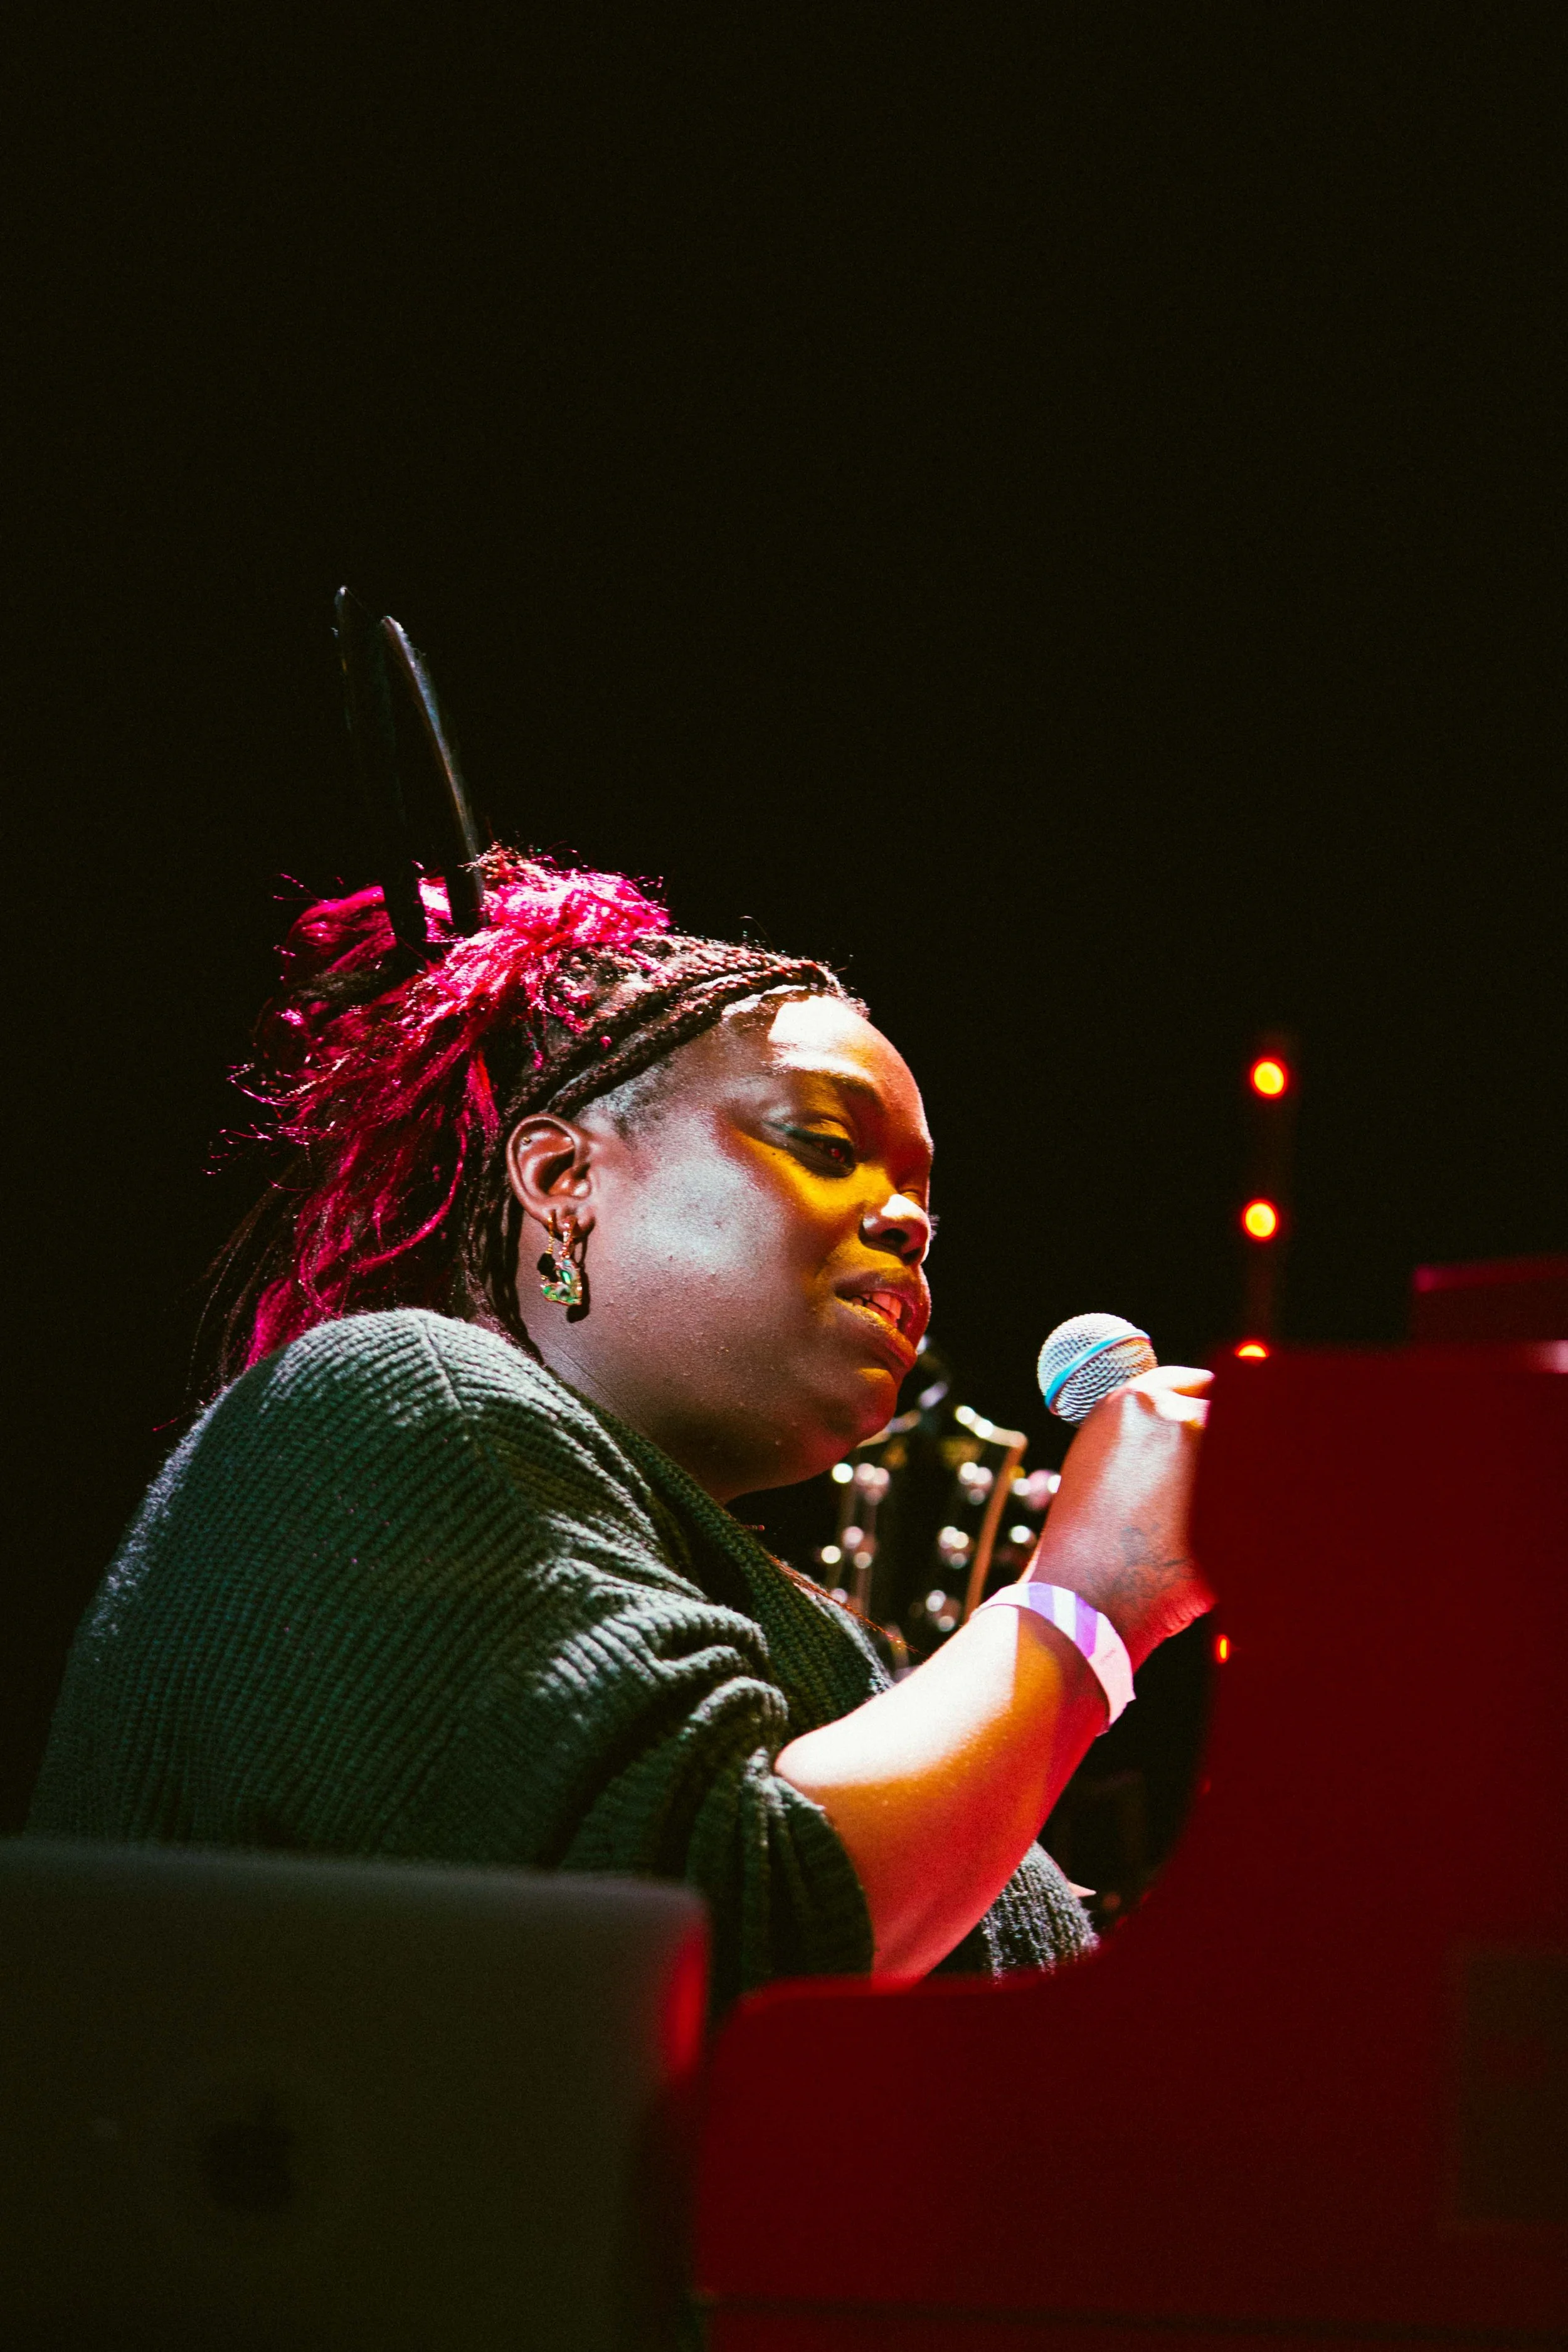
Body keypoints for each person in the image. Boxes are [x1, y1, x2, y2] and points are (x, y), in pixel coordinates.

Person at [29, 852, 1212, 2008]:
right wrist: (1085, 1605)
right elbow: (712, 1933)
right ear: (562, 1178)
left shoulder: (809, 1637)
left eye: (924, 1203)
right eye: (828, 1146)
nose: (906, 1221)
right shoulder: (394, 1405)